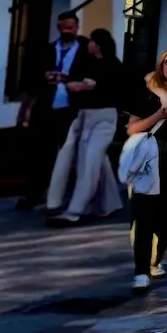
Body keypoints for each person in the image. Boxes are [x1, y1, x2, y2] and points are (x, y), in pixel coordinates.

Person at [127, 47, 167, 291]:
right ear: (161, 65)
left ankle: (155, 259)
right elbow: (132, 128)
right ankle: (141, 271)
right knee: (144, 216)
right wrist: (158, 115)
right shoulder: (146, 93)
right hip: (147, 159)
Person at [46, 28, 124, 225]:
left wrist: (85, 86)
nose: (88, 44)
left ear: (98, 44)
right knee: (96, 160)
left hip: (104, 118)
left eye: (91, 41)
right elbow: (74, 82)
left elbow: (113, 90)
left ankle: (74, 211)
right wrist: (64, 79)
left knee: (89, 162)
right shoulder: (86, 63)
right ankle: (110, 203)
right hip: (82, 117)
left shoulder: (114, 65)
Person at [18, 12, 91, 211]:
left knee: (73, 153)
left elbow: (93, 78)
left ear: (77, 27)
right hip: (46, 108)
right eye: (63, 26)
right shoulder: (46, 51)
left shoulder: (86, 52)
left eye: (70, 26)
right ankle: (36, 193)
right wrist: (44, 77)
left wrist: (72, 80)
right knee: (40, 152)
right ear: (58, 27)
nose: (67, 30)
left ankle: (69, 196)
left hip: (73, 109)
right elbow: (29, 79)